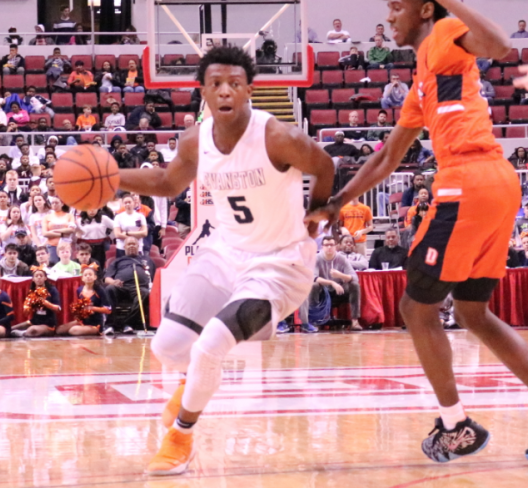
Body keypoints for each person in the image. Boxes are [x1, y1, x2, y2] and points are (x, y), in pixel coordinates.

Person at [306, 0, 528, 463]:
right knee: (472, 312)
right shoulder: (423, 75)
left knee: (416, 309)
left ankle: (455, 426)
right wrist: (336, 203)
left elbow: (502, 46)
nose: (387, 16)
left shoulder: (444, 34)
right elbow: (388, 157)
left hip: (468, 182)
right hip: (494, 183)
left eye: (396, 6)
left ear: (422, 11)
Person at [115, 46, 334, 475]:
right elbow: (166, 181)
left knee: (211, 346)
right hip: (225, 252)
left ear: (249, 89)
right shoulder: (196, 139)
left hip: (279, 263)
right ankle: (188, 387)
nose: (226, 91)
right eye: (216, 84)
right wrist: (111, 176)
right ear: (203, 91)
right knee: (167, 345)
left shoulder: (277, 136)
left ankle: (180, 437)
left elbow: (324, 164)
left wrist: (319, 209)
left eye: (235, 83)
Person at [308, 237, 362, 331]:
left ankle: (355, 320)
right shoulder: (316, 258)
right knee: (313, 286)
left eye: (331, 245)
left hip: (339, 290)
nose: (329, 247)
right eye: (326, 245)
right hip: (323, 290)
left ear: (336, 246)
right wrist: (332, 282)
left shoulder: (341, 259)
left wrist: (341, 275)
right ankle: (315, 321)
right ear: (322, 247)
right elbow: (314, 278)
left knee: (354, 285)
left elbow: (355, 277)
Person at [56, 263, 111, 336]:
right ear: (82, 278)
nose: (88, 276)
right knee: (59, 330)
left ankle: (96, 331)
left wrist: (92, 308)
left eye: (90, 274)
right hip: (83, 321)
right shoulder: (79, 290)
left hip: (95, 324)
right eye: (85, 275)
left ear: (95, 277)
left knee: (73, 330)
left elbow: (108, 310)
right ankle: (82, 328)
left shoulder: (100, 290)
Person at [11, 267, 62, 338]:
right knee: (11, 328)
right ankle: (20, 332)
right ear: (33, 279)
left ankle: (23, 333)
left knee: (32, 330)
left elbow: (58, 309)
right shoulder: (32, 291)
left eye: (41, 276)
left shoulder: (52, 289)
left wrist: (45, 303)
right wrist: (27, 306)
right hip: (34, 321)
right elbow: (27, 313)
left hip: (48, 324)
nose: (39, 278)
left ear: (45, 278)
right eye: (36, 276)